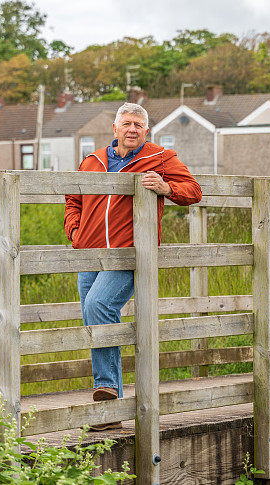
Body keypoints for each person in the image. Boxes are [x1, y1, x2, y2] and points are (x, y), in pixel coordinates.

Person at [64, 102, 202, 430]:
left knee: (99, 305)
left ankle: (108, 388)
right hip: (91, 254)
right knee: (94, 318)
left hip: (130, 255)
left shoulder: (160, 158)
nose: (132, 130)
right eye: (126, 124)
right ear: (115, 128)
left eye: (138, 125)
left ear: (146, 130)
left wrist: (166, 188)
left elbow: (194, 190)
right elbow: (73, 199)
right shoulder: (92, 161)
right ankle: (110, 407)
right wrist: (76, 233)